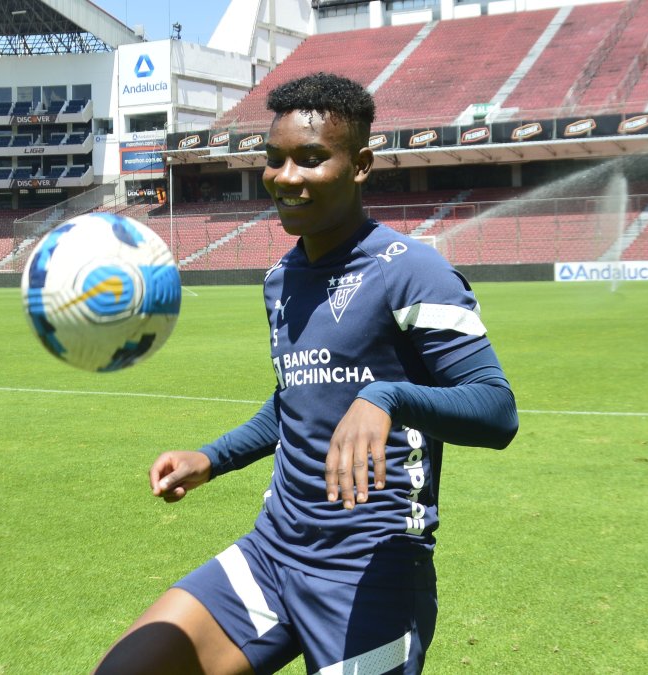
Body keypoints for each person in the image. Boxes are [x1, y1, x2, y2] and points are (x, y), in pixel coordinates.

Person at [94, 72, 518, 675]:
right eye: (275, 160)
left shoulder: (413, 271)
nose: (287, 177)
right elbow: (297, 399)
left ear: (361, 164)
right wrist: (212, 458)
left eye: (311, 159)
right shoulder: (281, 279)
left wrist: (388, 396)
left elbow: (497, 410)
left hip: (371, 572)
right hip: (274, 552)